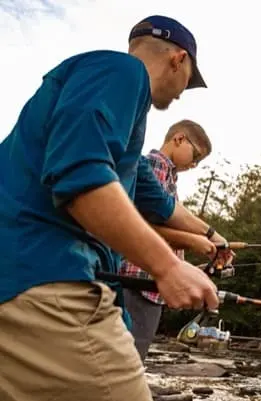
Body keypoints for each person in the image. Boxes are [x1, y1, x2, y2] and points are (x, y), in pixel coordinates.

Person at [0, 15, 228, 401]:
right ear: (178, 59)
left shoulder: (124, 135)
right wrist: (168, 267)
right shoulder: (122, 72)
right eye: (189, 80)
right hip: (40, 275)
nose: (183, 93)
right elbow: (81, 179)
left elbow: (159, 203)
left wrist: (211, 235)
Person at [120, 118, 220, 361]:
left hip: (148, 284)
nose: (195, 164)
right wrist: (197, 242)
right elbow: (142, 226)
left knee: (130, 359)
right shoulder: (156, 165)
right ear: (178, 139)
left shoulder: (169, 175)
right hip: (139, 282)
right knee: (127, 361)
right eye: (196, 156)